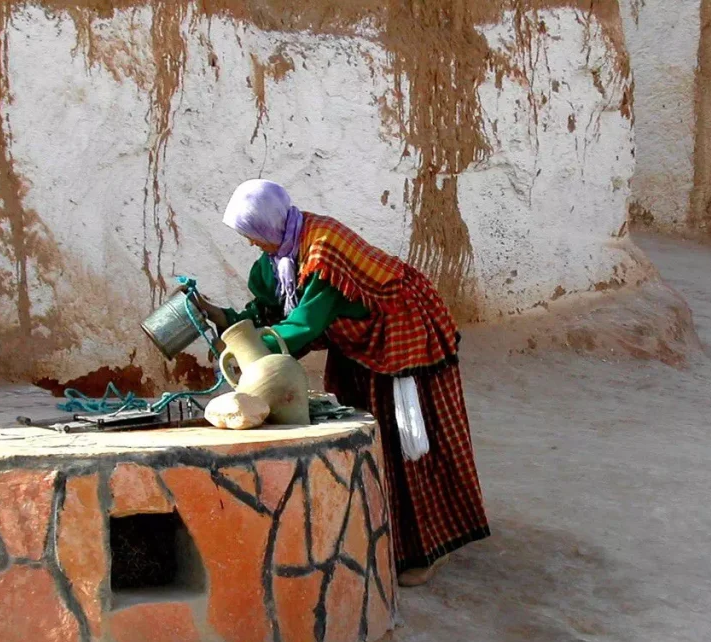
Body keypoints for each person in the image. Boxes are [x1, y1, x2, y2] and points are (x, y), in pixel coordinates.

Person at [195, 179, 490, 587]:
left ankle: (424, 549)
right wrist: (224, 317)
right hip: (357, 337)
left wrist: (246, 345)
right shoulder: (277, 257)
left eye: (252, 234)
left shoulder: (323, 251)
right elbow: (267, 310)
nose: (250, 243)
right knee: (357, 422)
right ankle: (378, 533)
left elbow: (302, 326)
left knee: (404, 440)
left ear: (270, 224)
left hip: (403, 335)